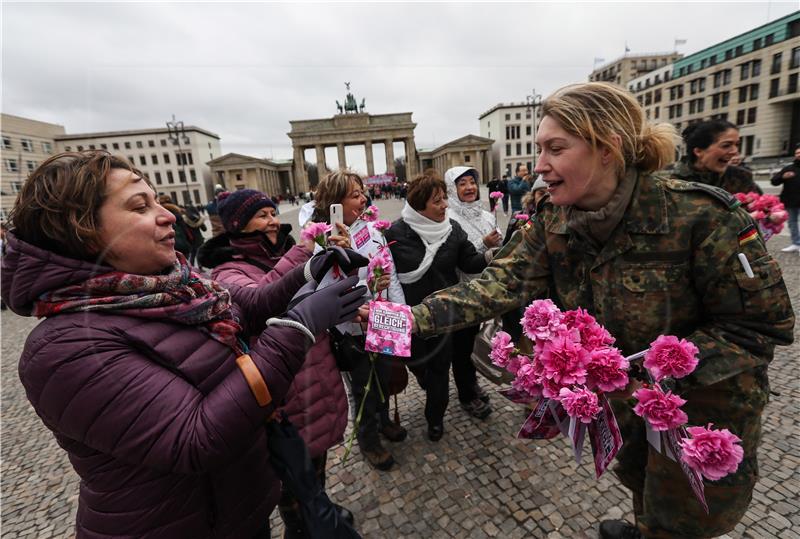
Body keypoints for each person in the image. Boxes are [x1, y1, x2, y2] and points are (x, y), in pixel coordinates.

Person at [405, 83, 794, 538]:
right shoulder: (555, 218)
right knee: (641, 487)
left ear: (606, 148)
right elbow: (498, 284)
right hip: (624, 409)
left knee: (686, 521)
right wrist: (403, 320)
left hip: (701, 415)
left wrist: (654, 369)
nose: (540, 166)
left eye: (555, 148)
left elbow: (761, 326)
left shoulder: (702, 218)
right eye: (539, 149)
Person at [1, 151, 369, 538]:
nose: (168, 215)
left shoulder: (178, 285)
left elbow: (252, 305)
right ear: (80, 229)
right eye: (140, 205)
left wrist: (308, 270)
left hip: (234, 512)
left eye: (157, 199)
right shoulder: (64, 348)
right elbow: (196, 437)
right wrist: (299, 326)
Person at [196, 189, 354, 536]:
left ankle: (319, 509)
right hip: (281, 394)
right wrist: (304, 254)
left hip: (317, 377)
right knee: (290, 484)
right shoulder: (225, 270)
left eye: (273, 212)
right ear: (238, 224)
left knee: (315, 469)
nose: (273, 221)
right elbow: (259, 299)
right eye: (262, 215)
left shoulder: (288, 252)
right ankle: (301, 528)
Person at [299, 169, 407, 471]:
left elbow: (391, 275)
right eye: (354, 194)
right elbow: (321, 291)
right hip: (352, 327)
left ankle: (384, 421)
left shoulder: (373, 231)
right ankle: (368, 440)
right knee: (364, 387)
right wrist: (339, 254)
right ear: (335, 201)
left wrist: (402, 313)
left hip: (383, 318)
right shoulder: (318, 241)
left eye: (362, 192)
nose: (363, 198)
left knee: (384, 379)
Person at [385, 171, 492, 442]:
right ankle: (424, 376)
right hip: (411, 319)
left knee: (439, 373)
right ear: (419, 206)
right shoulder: (394, 234)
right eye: (437, 201)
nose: (445, 205)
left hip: (444, 317)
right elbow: (383, 273)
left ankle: (435, 419)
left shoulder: (453, 230)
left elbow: (470, 263)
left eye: (445, 198)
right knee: (419, 366)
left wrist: (493, 254)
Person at [444, 166, 501, 419]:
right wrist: (484, 245)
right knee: (462, 346)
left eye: (472, 182)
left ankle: (473, 383)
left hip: (487, 289)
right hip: (463, 291)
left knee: (479, 341)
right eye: (462, 183)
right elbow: (455, 258)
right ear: (452, 189)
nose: (469, 188)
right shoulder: (448, 219)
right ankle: (466, 393)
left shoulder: (487, 215)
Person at [669, 120, 762, 195]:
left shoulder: (742, 177)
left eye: (737, 144)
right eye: (726, 145)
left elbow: (762, 210)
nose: (735, 151)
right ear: (698, 151)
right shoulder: (673, 184)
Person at [771, 144, 800, 254]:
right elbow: (774, 181)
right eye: (797, 153)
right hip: (790, 201)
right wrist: (782, 177)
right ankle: (796, 243)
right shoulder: (788, 168)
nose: (798, 155)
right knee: (792, 223)